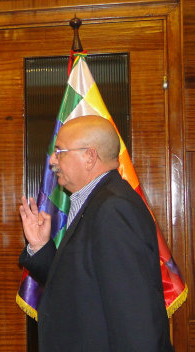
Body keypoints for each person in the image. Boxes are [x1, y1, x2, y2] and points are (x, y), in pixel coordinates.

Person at [18, 115, 173, 351]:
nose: (52, 160)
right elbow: (80, 286)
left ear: (89, 157)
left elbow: (135, 318)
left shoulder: (113, 209)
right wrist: (40, 246)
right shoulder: (96, 202)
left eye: (60, 151)